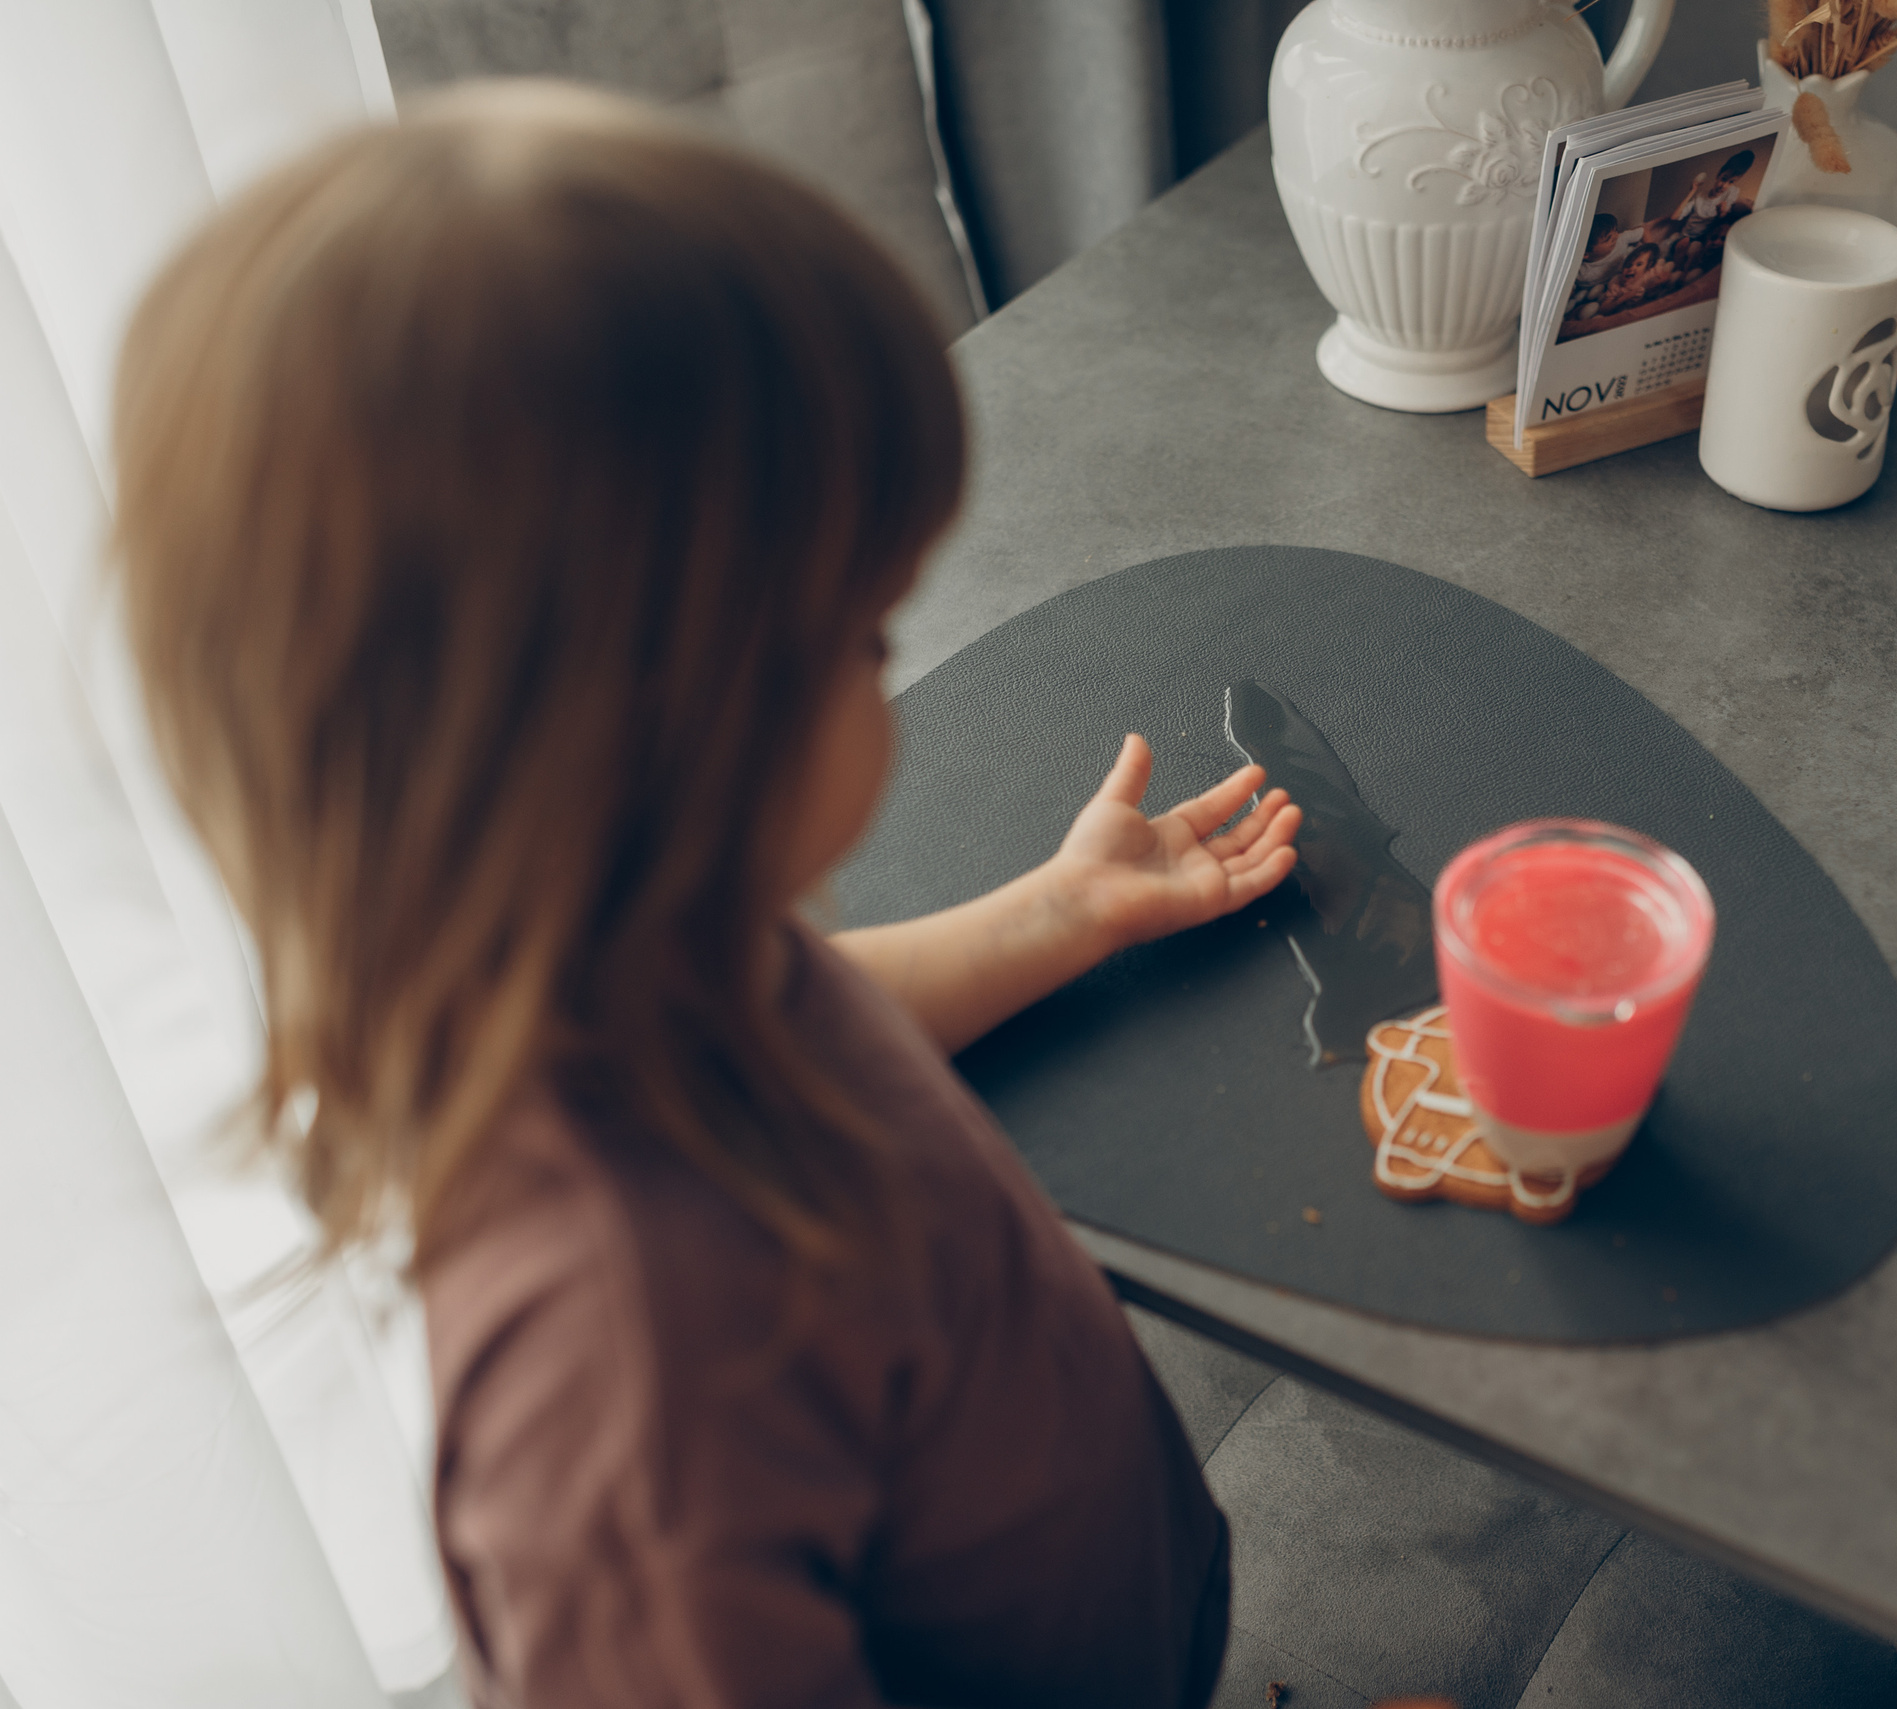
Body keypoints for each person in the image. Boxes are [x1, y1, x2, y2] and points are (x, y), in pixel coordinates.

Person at [110, 82, 1302, 1709]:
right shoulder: (627, 1383)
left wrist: (1056, 912)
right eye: (866, 637)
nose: (897, 670)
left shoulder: (640, 954)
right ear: (641, 732)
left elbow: (813, 1021)